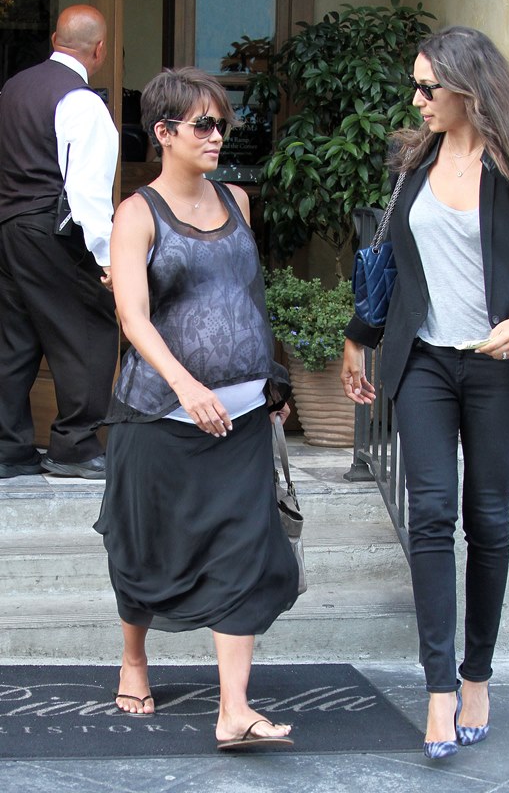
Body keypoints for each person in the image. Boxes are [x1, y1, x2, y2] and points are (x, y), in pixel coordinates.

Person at [342, 27, 509, 759]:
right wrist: (358, 337)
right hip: (425, 363)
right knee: (432, 516)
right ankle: (439, 687)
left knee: (488, 520)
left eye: (427, 87)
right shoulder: (414, 159)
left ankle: (477, 676)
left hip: (497, 367)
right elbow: (389, 262)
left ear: (470, 86)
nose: (417, 99)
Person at [93, 67, 299, 749]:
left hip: (241, 422)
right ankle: (134, 658)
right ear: (164, 132)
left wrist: (272, 385)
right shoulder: (136, 214)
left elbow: (246, 300)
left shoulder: (237, 200)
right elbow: (133, 316)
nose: (218, 136)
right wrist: (186, 385)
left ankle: (234, 709)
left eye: (222, 124)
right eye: (204, 125)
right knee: (144, 546)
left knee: (244, 550)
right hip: (160, 417)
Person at [0, 5, 119, 480]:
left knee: (15, 337)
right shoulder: (81, 100)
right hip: (51, 229)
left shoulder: (12, 88)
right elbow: (87, 191)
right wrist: (108, 258)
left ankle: (8, 448)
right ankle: (74, 446)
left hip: (8, 227)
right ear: (100, 50)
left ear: (55, 39)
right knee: (89, 326)